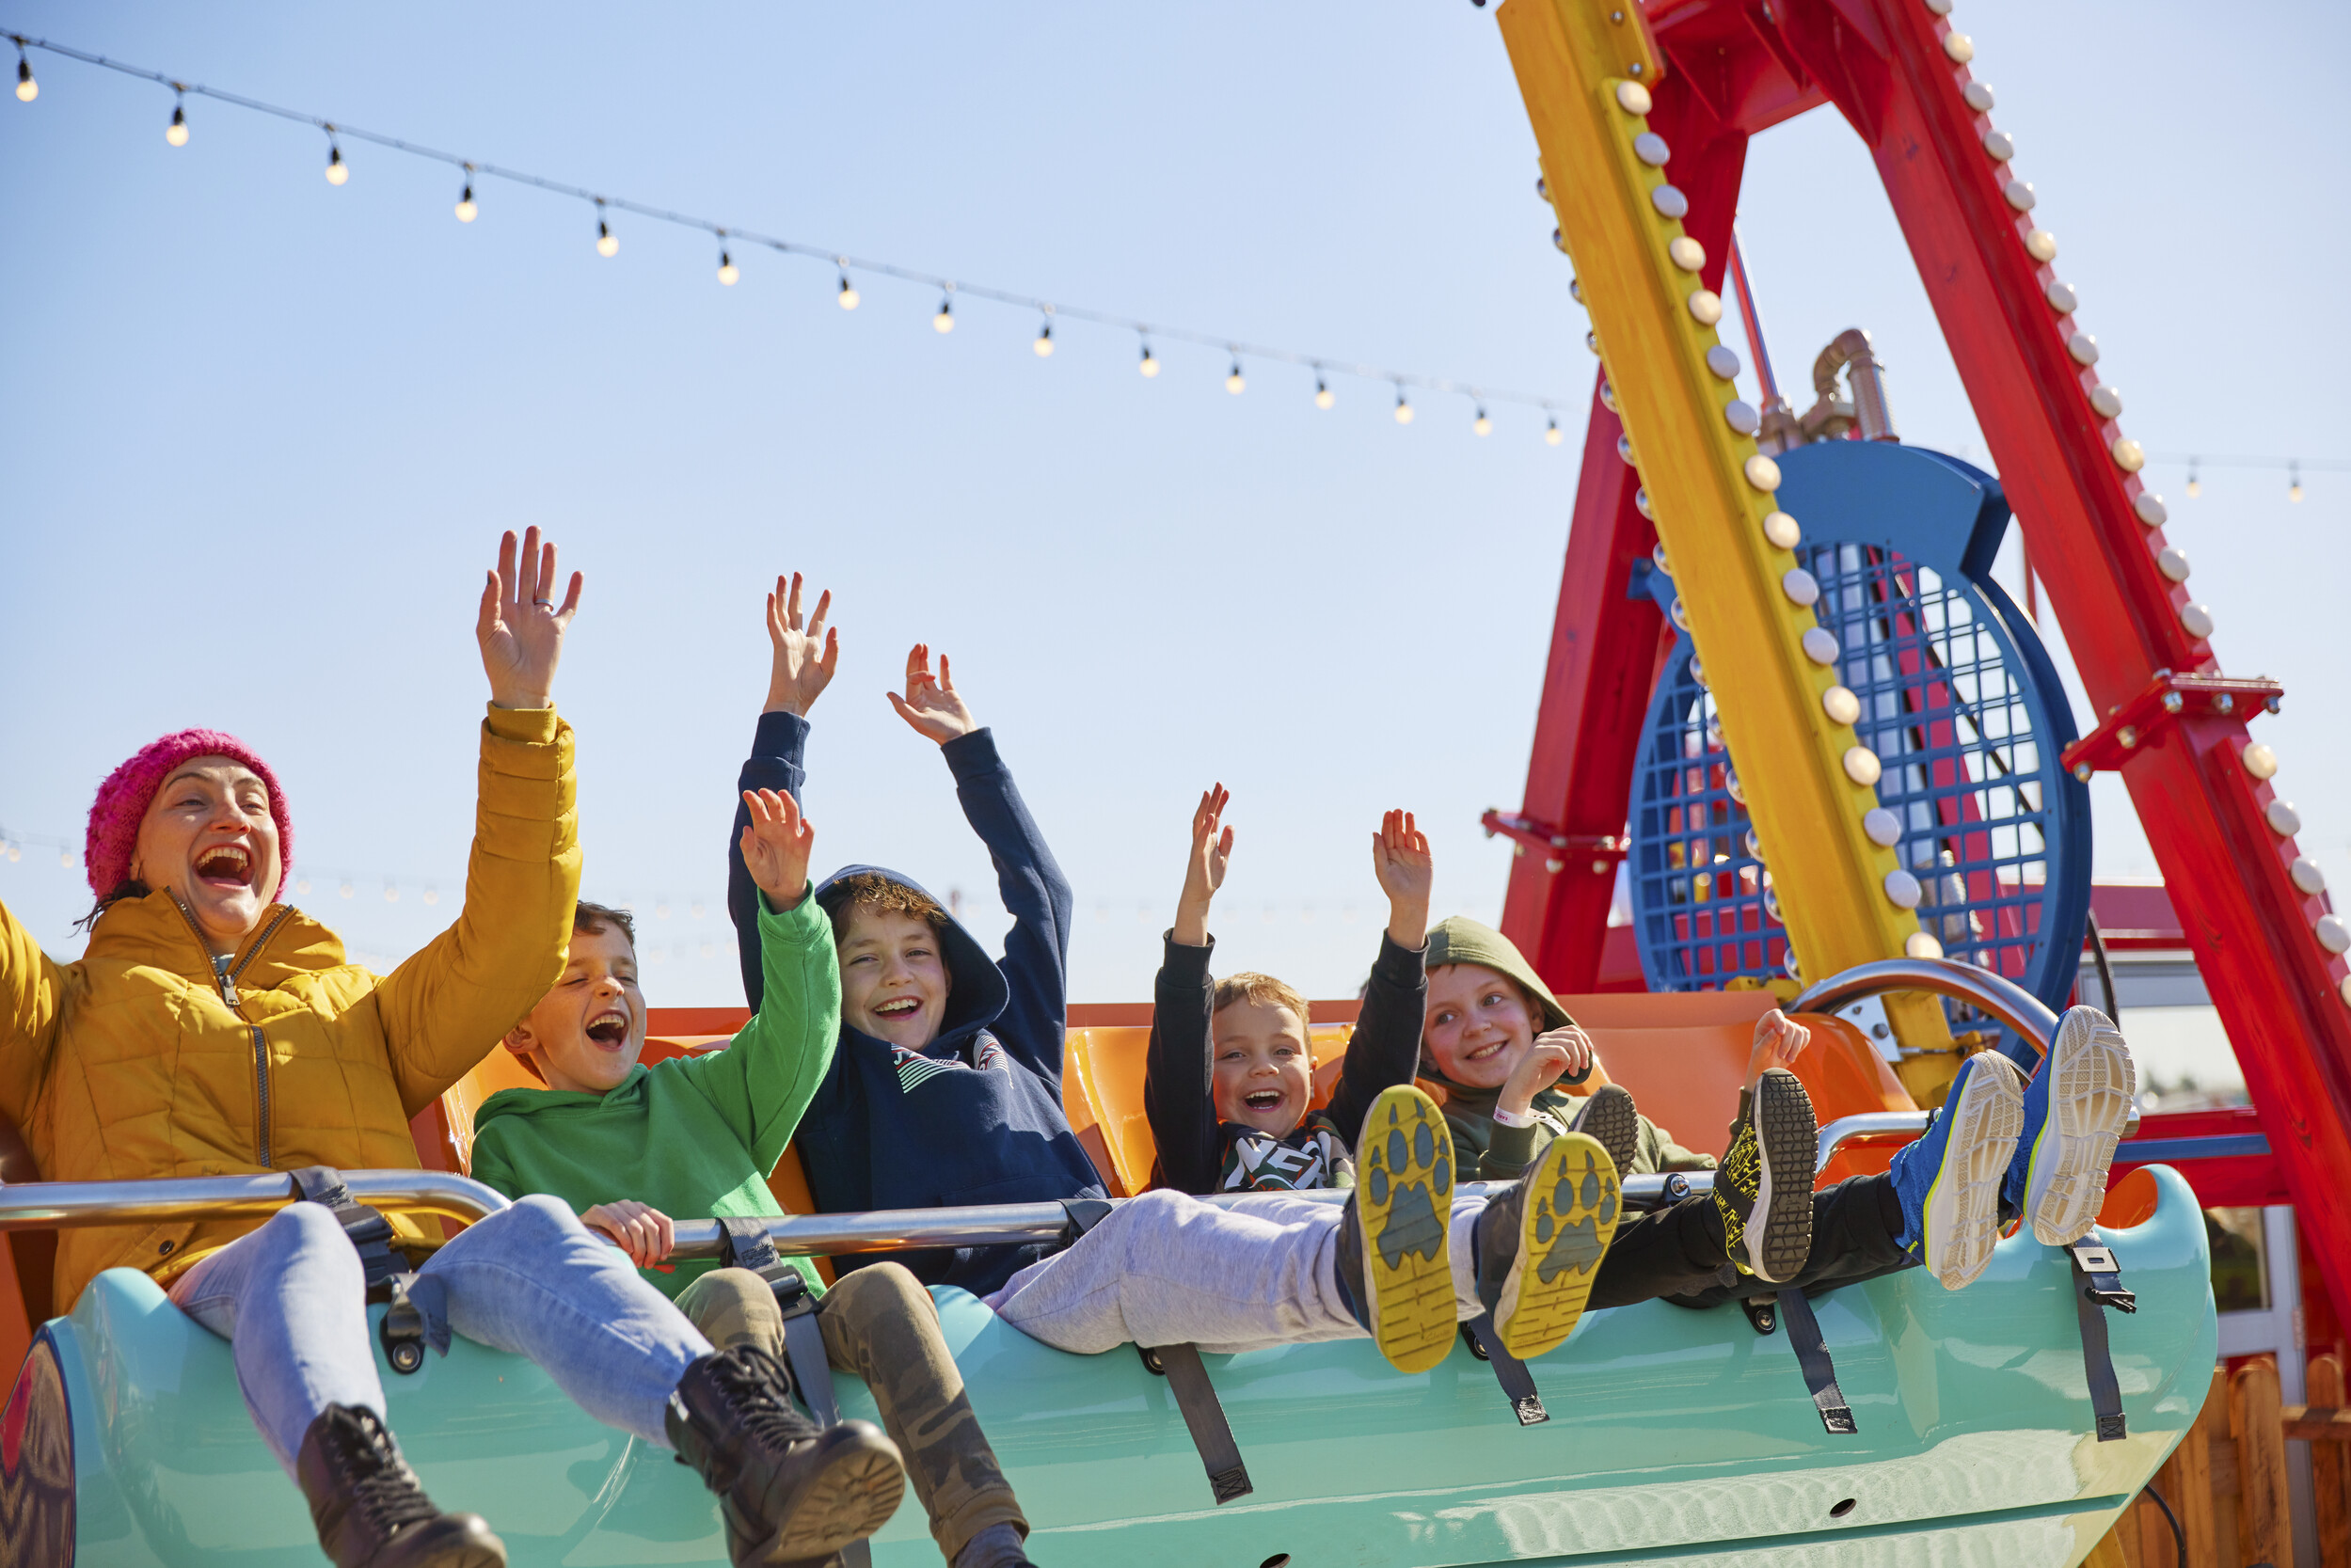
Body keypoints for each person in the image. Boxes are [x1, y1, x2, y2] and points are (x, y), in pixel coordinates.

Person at [0, 532, 901, 1568]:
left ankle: (754, 1453)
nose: (232, 814)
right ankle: (373, 1510)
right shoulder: (61, 1005)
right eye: (192, 800)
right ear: (128, 858)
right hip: (179, 1285)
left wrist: (523, 716)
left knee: (529, 1228)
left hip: (400, 1275)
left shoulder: (355, 1005)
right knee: (301, 1236)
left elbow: (515, 938)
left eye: (252, 802)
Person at [469, 787, 1040, 1568]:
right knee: (733, 1290)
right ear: (519, 1027)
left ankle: (987, 1541)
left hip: (799, 1306)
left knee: (886, 1287)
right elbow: (510, 1261)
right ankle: (783, 1540)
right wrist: (589, 1235)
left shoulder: (698, 1088)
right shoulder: (508, 1140)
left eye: (624, 974)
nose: (609, 989)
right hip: (679, 1339)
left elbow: (804, 1026)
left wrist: (789, 901)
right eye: (575, 980)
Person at [1417, 915, 2139, 1303]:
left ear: (1534, 1009)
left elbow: (1711, 1176)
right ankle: (1947, 1188)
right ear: (1421, 1050)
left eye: (1490, 1001)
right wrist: (1513, 1109)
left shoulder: (1610, 1114)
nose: (1475, 1024)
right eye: (1444, 1018)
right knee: (1743, 1230)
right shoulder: (1443, 1129)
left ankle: (2017, 1179)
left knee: (1792, 1226)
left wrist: (1757, 1085)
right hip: (1623, 1277)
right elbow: (1481, 1227)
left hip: (1714, 1246)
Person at [726, 578, 1101, 1298]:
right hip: (968, 1309)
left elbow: (1046, 901)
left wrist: (969, 752)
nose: (896, 975)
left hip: (1092, 1267)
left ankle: (1346, 1268)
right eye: (862, 960)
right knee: (1167, 1231)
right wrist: (786, 716)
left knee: (1171, 1221)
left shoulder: (1015, 1042)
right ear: (830, 984)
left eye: (916, 953)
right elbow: (761, 904)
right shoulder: (834, 1075)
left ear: (952, 970)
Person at [1142, 784, 1435, 1196]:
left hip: (1335, 1256)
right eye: (1234, 1054)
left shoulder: (1339, 1140)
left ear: (1311, 1071)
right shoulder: (1199, 1154)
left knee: (1390, 1124)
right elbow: (1180, 1054)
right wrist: (1196, 904)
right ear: (1207, 1075)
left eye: (1284, 1050)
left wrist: (1408, 913)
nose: (1264, 1067)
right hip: (1242, 1258)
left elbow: (1384, 1056)